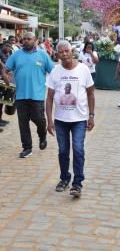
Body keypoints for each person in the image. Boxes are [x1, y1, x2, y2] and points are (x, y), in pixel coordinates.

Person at [46, 40, 95, 197]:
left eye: (66, 50)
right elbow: (49, 97)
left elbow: (91, 93)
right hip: (60, 120)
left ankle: (77, 183)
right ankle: (64, 178)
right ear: (58, 55)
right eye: (61, 52)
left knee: (78, 150)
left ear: (72, 51)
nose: (64, 54)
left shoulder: (83, 70)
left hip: (79, 120)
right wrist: (49, 120)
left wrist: (91, 115)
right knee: (63, 151)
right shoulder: (55, 71)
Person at [3, 32, 54, 158]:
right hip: (20, 95)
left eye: (29, 39)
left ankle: (42, 135)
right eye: (24, 39)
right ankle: (27, 148)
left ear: (35, 40)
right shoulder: (16, 55)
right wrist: (5, 76)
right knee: (23, 122)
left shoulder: (43, 55)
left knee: (39, 119)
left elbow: (53, 72)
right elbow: (5, 68)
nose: (25, 41)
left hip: (37, 95)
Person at [0, 42, 12, 128]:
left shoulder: (8, 54)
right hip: (0, 79)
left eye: (10, 47)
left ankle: (0, 119)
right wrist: (4, 66)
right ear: (3, 46)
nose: (8, 48)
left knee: (2, 101)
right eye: (7, 46)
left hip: (5, 79)